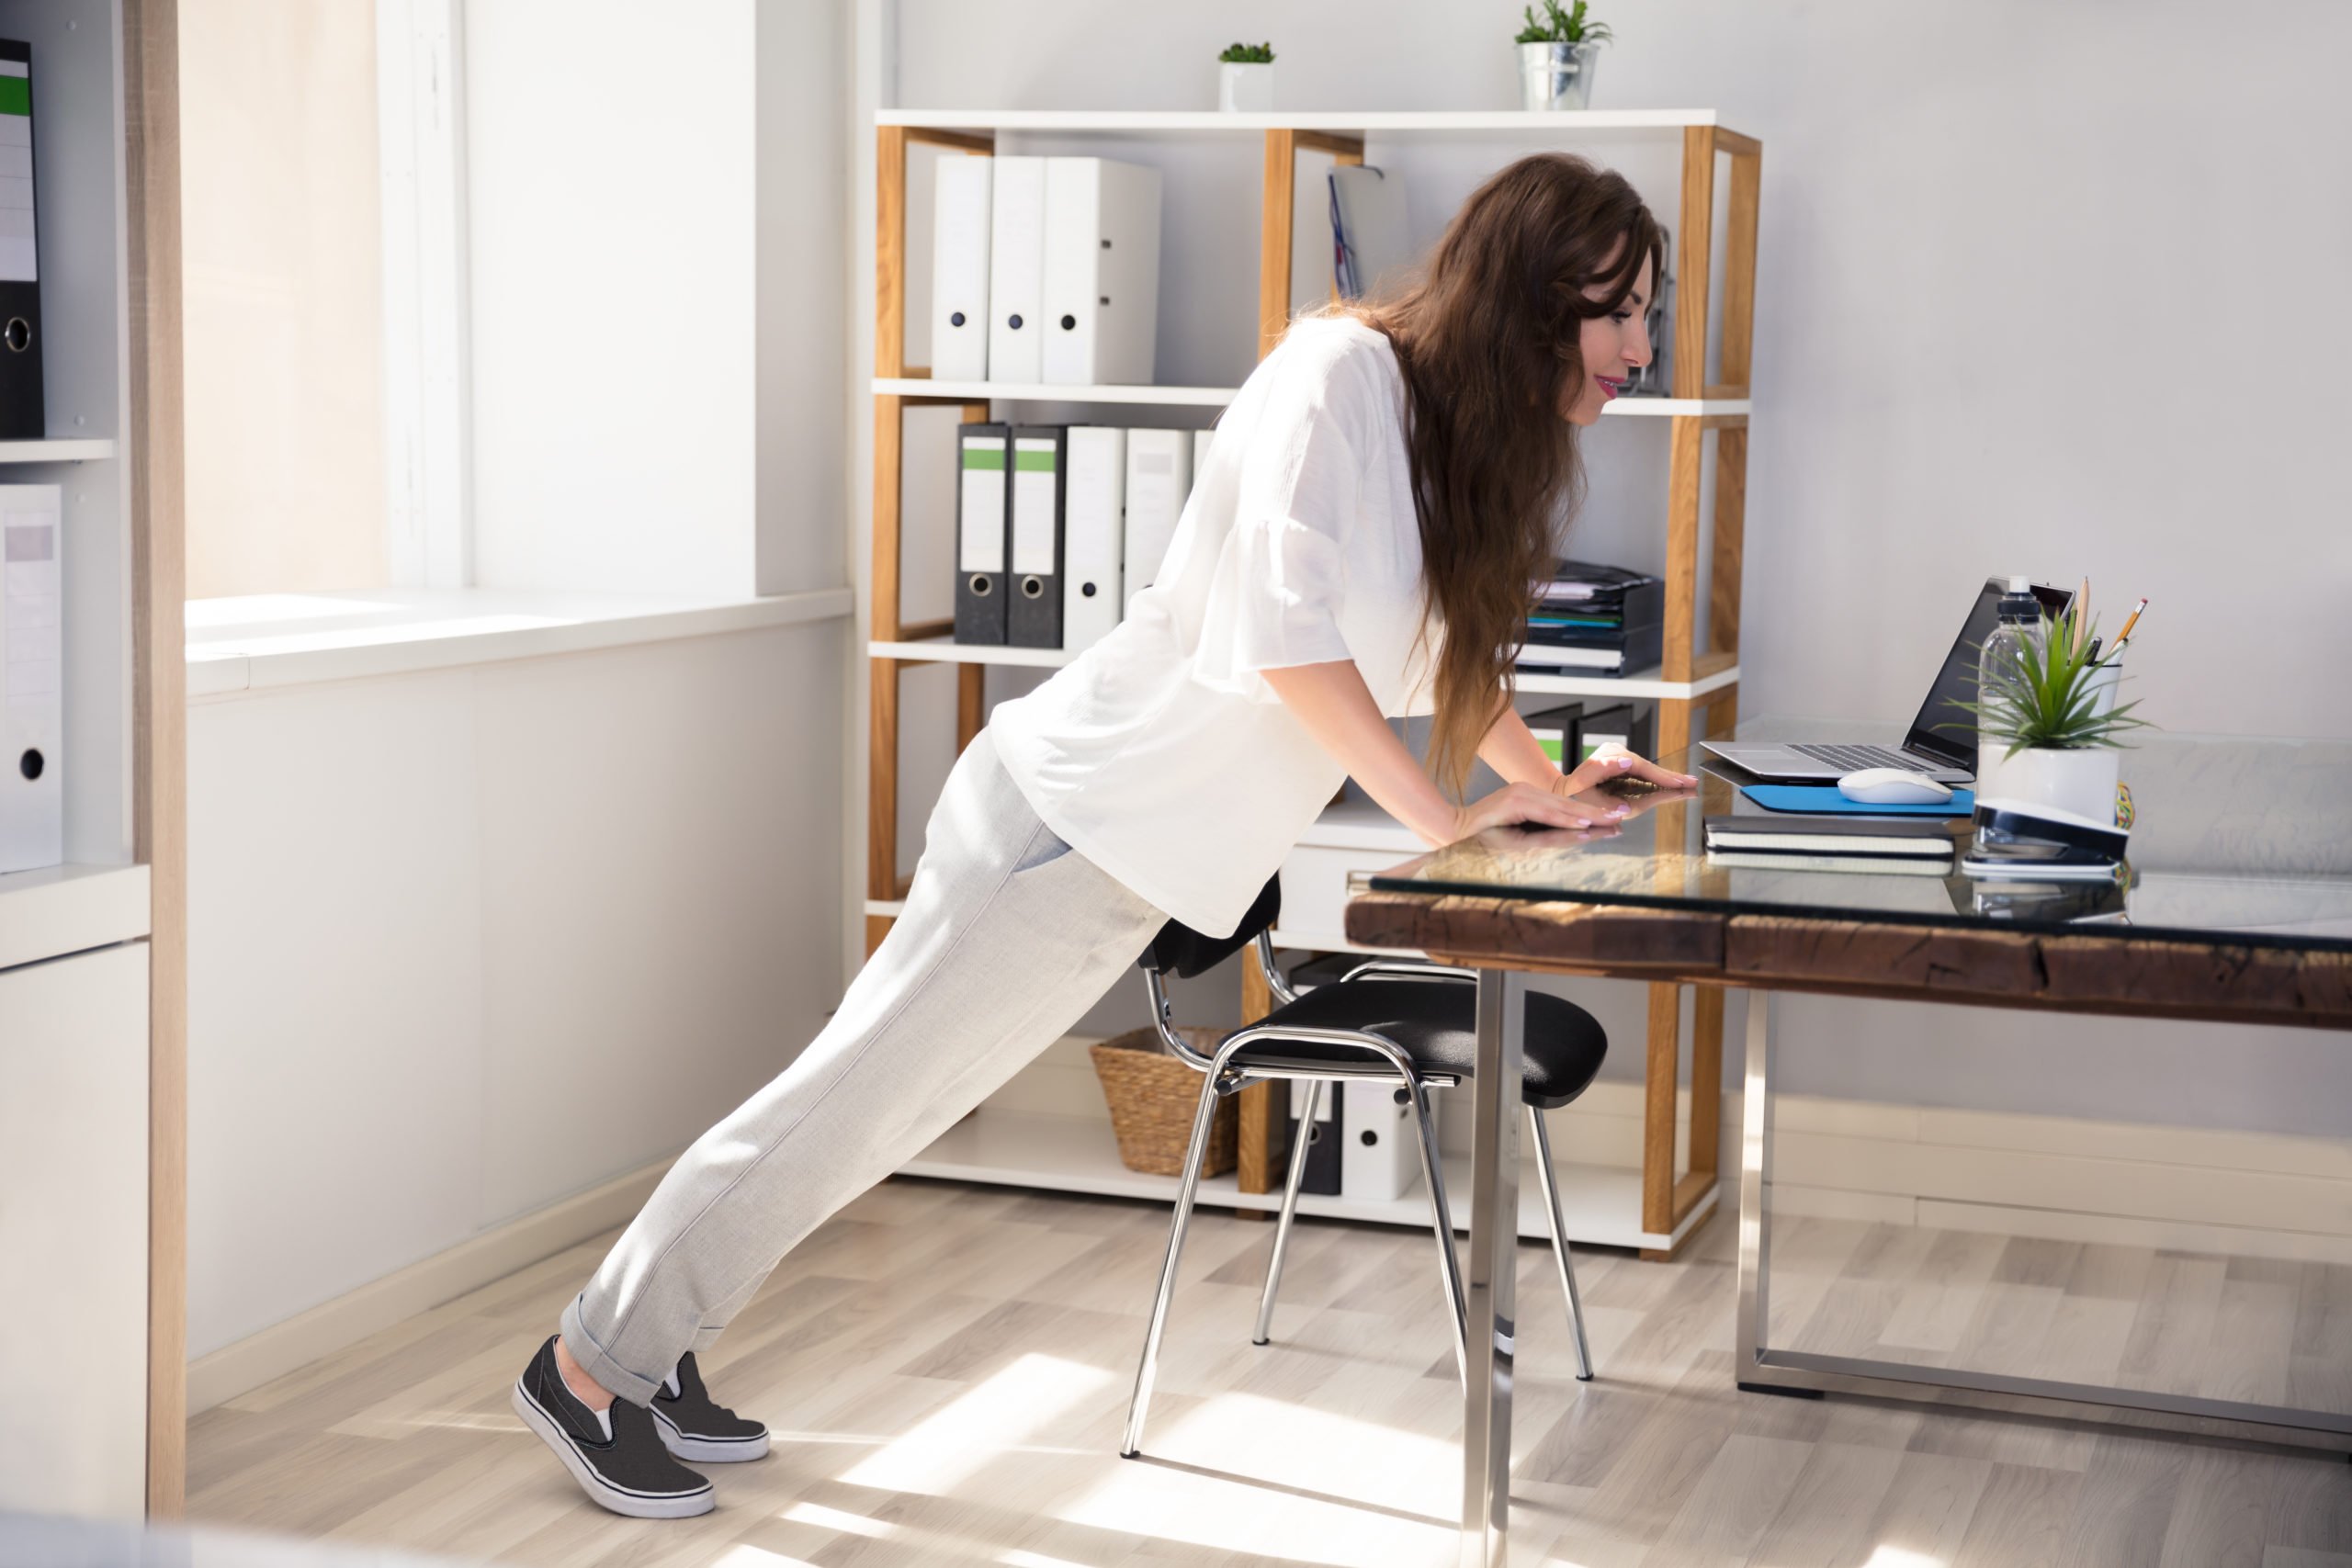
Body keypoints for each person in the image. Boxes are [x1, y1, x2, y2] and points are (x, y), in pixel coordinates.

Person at [508, 151, 1697, 1517]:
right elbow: (1289, 645)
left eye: (1646, 318)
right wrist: (1442, 823)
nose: (1639, 350)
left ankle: (653, 1349)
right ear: (1532, 300)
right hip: (1065, 821)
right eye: (1619, 313)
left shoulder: (1447, 440)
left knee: (869, 1112)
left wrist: (1533, 779)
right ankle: (592, 1365)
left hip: (1123, 857)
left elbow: (1448, 652)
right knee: (850, 1103)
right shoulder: (1337, 379)